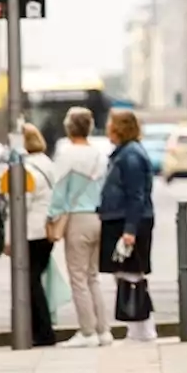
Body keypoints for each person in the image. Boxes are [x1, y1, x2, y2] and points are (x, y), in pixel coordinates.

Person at [49, 107, 112, 349]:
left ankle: (87, 332)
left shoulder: (67, 155)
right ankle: (103, 330)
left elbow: (59, 192)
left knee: (78, 278)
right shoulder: (98, 155)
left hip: (77, 219)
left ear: (69, 127)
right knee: (92, 277)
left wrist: (52, 217)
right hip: (97, 218)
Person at [98, 109, 157, 342]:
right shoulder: (125, 153)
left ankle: (141, 328)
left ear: (120, 128)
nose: (108, 130)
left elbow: (136, 195)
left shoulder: (130, 156)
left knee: (131, 274)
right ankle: (140, 326)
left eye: (111, 126)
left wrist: (130, 230)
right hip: (122, 219)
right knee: (129, 273)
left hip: (128, 220)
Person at [12, 123, 57, 347]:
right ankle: (40, 331)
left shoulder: (26, 169)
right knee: (34, 280)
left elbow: (22, 203)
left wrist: (10, 238)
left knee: (29, 283)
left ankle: (43, 332)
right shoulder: (48, 163)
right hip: (46, 231)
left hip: (30, 232)